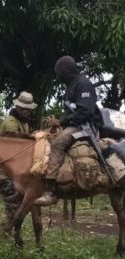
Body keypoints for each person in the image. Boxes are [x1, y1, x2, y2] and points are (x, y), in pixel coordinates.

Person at [35, 56, 103, 206]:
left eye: (59, 73)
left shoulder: (83, 84)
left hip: (86, 126)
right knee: (46, 137)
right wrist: (57, 122)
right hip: (74, 124)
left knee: (58, 143)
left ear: (66, 71)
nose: (58, 76)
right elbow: (70, 112)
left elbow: (86, 111)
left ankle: (50, 190)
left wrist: (62, 121)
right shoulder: (71, 86)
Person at [0, 91, 36, 235]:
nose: (27, 112)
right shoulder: (11, 122)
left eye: (29, 109)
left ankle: (7, 230)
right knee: (12, 203)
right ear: (18, 108)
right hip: (6, 170)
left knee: (17, 201)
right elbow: (16, 143)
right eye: (25, 109)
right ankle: (4, 231)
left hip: (17, 169)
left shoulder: (24, 122)